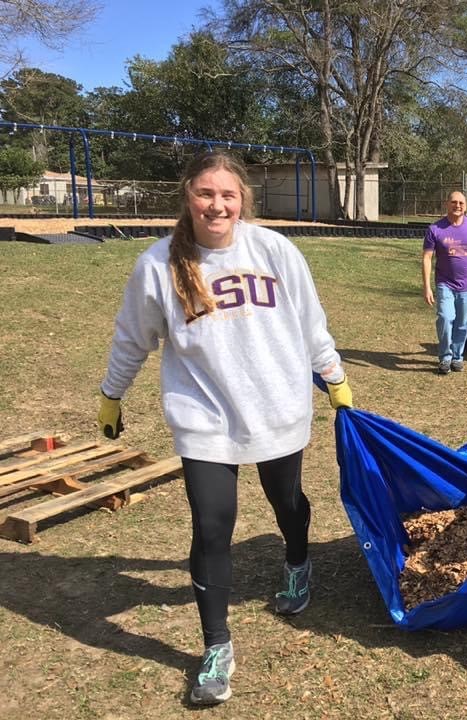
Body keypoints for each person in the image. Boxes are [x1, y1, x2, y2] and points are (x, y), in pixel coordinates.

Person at [96, 152, 354, 706]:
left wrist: (332, 376)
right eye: (206, 194)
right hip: (204, 418)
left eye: (228, 195)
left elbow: (311, 322)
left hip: (277, 407)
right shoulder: (159, 265)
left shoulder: (274, 250)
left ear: (243, 201)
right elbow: (131, 338)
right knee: (212, 527)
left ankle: (297, 562)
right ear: (187, 196)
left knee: (287, 503)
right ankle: (217, 646)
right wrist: (111, 394)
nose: (217, 204)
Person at [422, 191, 467, 374]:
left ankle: (457, 357)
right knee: (445, 317)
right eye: (454, 202)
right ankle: (445, 357)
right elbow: (427, 258)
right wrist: (427, 286)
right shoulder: (435, 229)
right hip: (445, 283)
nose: (457, 205)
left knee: (463, 322)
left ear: (466, 206)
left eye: (461, 203)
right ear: (447, 204)